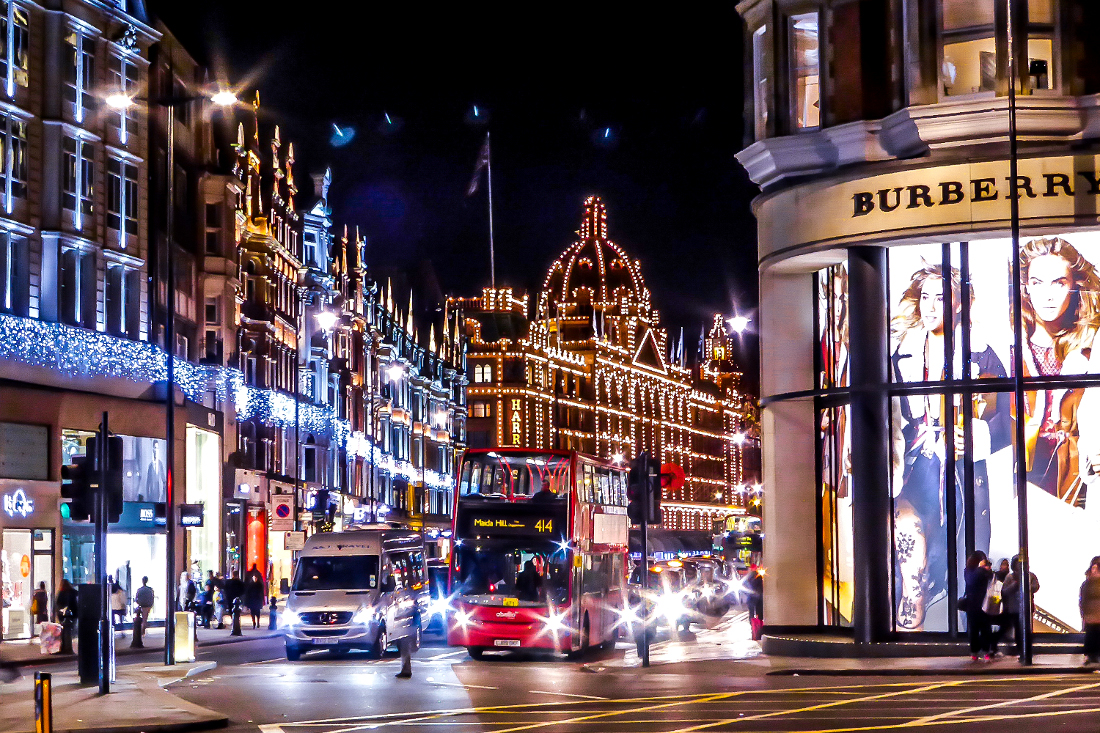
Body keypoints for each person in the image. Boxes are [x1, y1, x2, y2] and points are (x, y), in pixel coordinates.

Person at [891, 263, 1010, 631]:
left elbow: (1006, 417)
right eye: (925, 296)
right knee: (906, 524)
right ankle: (914, 590)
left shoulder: (983, 355)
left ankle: (967, 626)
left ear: (961, 302)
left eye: (941, 298)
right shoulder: (900, 354)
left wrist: (978, 437)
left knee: (964, 552)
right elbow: (884, 411)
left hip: (961, 471)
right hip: (913, 463)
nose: (930, 306)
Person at [1015, 237, 1100, 500]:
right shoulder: (1008, 350)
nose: (1047, 295)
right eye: (1037, 283)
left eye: (1059, 282)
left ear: (1076, 286)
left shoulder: (1093, 349)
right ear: (1026, 287)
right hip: (1021, 480)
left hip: (1078, 479)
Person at [998, 556, 1039, 655]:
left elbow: (1036, 587)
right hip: (1014, 608)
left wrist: (1027, 586)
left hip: (1027, 607)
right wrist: (1014, 585)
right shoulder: (1010, 577)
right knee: (1018, 629)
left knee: (1027, 629)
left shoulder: (1030, 576)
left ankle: (1026, 649)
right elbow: (1004, 591)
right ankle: (1020, 649)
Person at [962, 551, 995, 661]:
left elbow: (991, 579)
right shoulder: (969, 571)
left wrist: (987, 569)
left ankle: (986, 651)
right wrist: (981, 569)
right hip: (973, 604)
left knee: (985, 629)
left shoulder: (985, 572)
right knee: (974, 629)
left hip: (985, 603)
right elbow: (971, 580)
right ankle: (975, 652)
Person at [245, 565, 265, 629]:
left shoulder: (255, 584)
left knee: (256, 612)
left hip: (256, 599)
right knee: (254, 612)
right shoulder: (254, 584)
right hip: (254, 599)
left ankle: (257, 622)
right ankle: (254, 622)